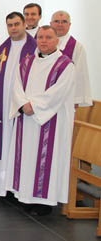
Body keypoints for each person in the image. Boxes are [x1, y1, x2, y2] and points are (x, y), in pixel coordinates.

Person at [6, 25, 75, 216]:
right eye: (41, 37)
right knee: (27, 157)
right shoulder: (27, 62)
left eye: (48, 37)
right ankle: (25, 196)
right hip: (27, 119)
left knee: (46, 159)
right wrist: (22, 104)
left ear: (57, 41)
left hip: (51, 120)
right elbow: (17, 86)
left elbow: (58, 92)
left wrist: (34, 105)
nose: (44, 41)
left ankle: (44, 202)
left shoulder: (65, 65)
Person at [0, 12, 37, 196]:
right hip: (3, 106)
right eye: (10, 25)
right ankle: (2, 186)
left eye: (17, 24)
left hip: (23, 107)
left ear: (24, 25)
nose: (14, 28)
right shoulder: (1, 49)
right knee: (4, 146)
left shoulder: (35, 48)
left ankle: (20, 189)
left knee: (21, 148)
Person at [51, 10, 92, 107]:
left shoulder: (77, 47)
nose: (60, 24)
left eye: (64, 21)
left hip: (66, 98)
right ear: (51, 24)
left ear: (69, 25)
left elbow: (80, 75)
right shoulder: (42, 43)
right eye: (57, 21)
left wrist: (76, 100)